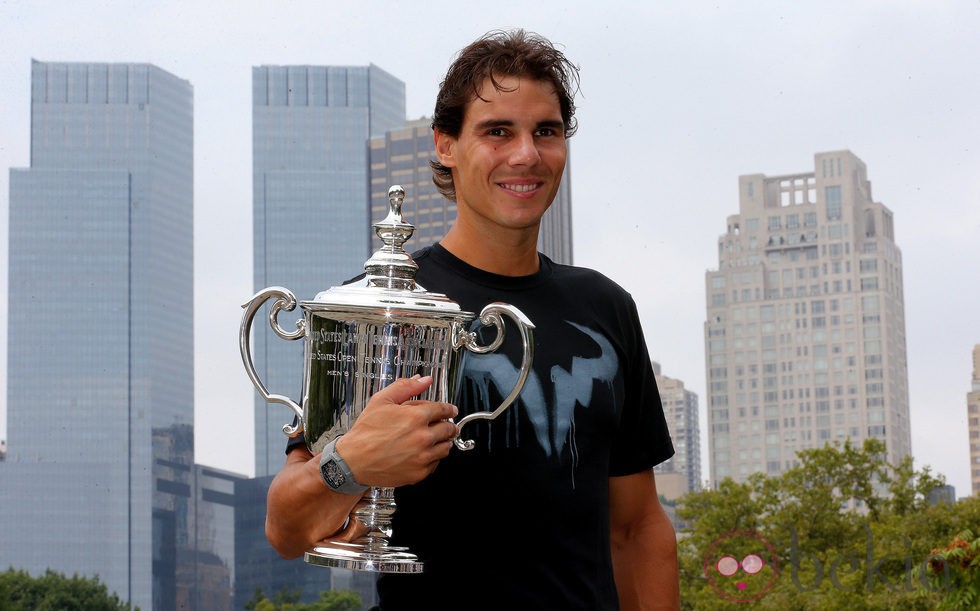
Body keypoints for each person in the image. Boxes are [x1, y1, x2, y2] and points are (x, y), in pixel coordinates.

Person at [266, 29, 680, 610]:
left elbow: (637, 529)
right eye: (497, 132)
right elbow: (287, 529)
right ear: (445, 145)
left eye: (547, 131)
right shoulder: (379, 305)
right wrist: (350, 464)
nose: (526, 155)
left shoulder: (606, 307)